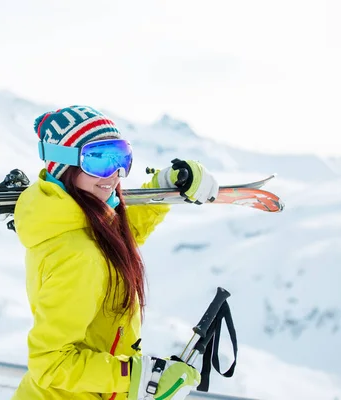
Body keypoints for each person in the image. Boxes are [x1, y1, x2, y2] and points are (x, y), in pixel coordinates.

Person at [12, 105, 219, 400]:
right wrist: (142, 376)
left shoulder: (72, 220)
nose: (114, 175)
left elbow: (119, 238)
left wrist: (162, 188)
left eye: (120, 158)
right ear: (64, 164)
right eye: (98, 160)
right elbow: (50, 362)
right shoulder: (79, 256)